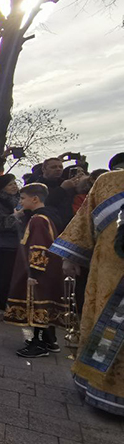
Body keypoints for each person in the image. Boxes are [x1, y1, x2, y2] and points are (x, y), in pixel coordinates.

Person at [49, 157, 124, 412]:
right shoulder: (109, 182)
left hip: (110, 272)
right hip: (111, 276)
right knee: (108, 326)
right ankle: (97, 388)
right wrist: (71, 256)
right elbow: (83, 223)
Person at [4, 183, 66, 358]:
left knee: (37, 304)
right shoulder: (49, 216)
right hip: (49, 269)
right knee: (45, 305)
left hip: (39, 271)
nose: (21, 202)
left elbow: (39, 246)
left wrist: (34, 272)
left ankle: (38, 344)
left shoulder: (38, 219)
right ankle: (49, 340)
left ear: (35, 199)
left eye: (23, 198)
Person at [0, 174, 21, 309]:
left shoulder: (21, 199)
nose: (14, 186)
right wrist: (15, 217)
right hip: (6, 244)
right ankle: (4, 301)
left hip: (22, 242)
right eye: (10, 184)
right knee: (6, 275)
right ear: (2, 188)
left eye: (14, 183)